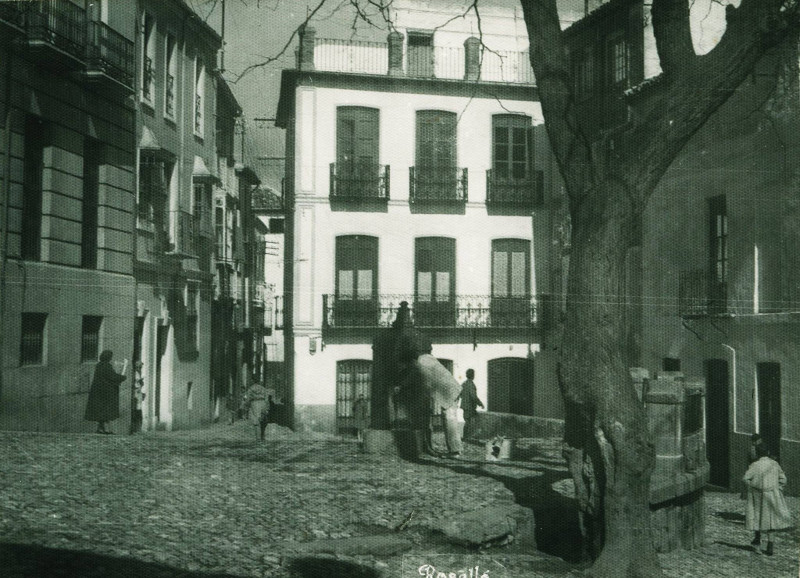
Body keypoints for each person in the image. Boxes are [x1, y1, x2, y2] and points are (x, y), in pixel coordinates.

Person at [743, 443, 793, 555]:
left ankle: (757, 543)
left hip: (758, 496)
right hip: (772, 495)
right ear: (768, 453)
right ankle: (770, 546)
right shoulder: (774, 464)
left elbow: (745, 479)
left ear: (757, 453)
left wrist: (752, 487)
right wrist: (777, 488)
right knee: (771, 520)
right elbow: (783, 479)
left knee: (758, 518)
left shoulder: (754, 465)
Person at [84, 350, 127, 434]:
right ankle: (106, 429)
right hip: (106, 393)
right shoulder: (106, 366)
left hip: (98, 392)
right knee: (106, 411)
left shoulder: (99, 365)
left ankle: (101, 428)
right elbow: (112, 377)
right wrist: (122, 377)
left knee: (100, 411)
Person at [456, 368, 484, 441]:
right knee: (470, 421)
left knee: (467, 421)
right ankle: (467, 437)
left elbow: (460, 394)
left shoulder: (464, 384)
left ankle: (466, 437)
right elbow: (473, 396)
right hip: (470, 406)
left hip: (465, 406)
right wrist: (480, 404)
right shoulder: (471, 384)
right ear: (473, 375)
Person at [130, 361, 145, 434]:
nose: (139, 368)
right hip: (135, 391)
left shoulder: (139, 373)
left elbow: (140, 383)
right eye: (138, 367)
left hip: (138, 392)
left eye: (140, 367)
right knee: (135, 410)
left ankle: (138, 428)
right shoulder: (133, 373)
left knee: (139, 409)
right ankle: (134, 428)